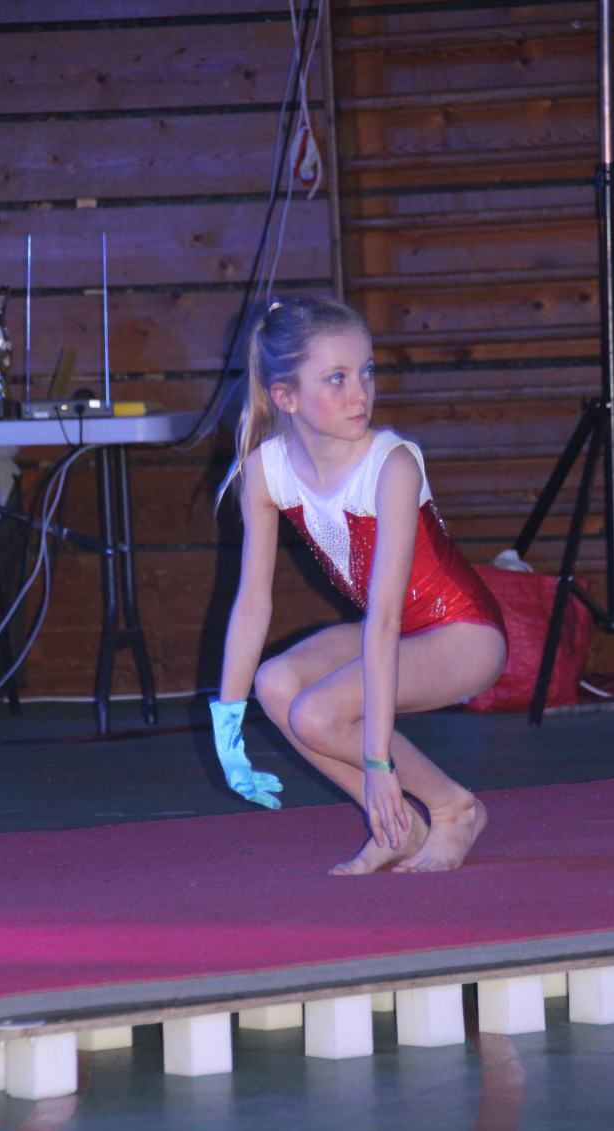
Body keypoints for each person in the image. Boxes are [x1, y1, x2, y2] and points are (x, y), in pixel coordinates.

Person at [210, 296, 507, 874]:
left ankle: (452, 807)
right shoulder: (266, 470)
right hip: (396, 632)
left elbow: (386, 618)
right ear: (285, 396)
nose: (361, 394)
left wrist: (378, 762)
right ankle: (400, 829)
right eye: (337, 378)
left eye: (366, 371)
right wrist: (228, 718)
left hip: (463, 633)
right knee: (274, 684)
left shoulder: (391, 465)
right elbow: (252, 603)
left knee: (318, 714)